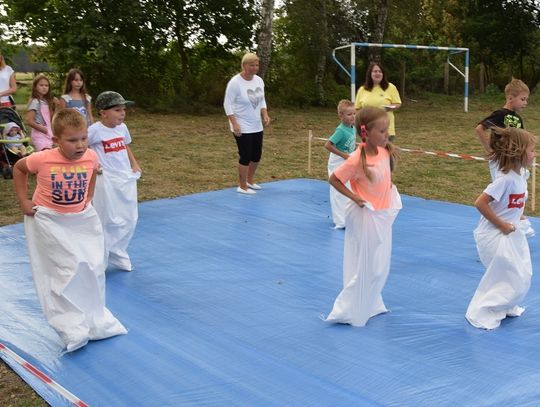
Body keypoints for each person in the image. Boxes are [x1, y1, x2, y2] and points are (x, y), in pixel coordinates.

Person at [12, 108, 127, 352]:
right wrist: (24, 200)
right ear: (56, 140)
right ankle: (71, 325)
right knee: (65, 270)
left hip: (79, 220)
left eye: (84, 138)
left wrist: (89, 195)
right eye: (72, 140)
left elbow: (93, 174)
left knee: (92, 266)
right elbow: (19, 169)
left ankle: (94, 320)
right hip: (50, 221)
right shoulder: (42, 159)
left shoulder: (91, 157)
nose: (80, 145)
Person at [325, 107, 402, 327]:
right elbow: (335, 179)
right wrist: (355, 197)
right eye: (382, 130)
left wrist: (389, 187)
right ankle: (346, 309)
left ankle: (370, 301)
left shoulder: (384, 150)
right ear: (366, 132)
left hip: (382, 213)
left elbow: (383, 176)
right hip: (365, 216)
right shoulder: (357, 159)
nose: (386, 134)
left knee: (379, 264)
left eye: (387, 129)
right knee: (369, 265)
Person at [465, 126, 536, 330]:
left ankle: (504, 304)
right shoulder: (504, 180)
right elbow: (480, 203)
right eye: (531, 150)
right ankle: (485, 308)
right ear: (518, 152)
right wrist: (502, 224)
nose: (534, 154)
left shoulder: (521, 176)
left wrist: (519, 218)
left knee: (521, 273)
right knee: (509, 273)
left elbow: (514, 204)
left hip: (511, 233)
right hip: (493, 235)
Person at [88, 91, 141, 272]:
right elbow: (83, 148)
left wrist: (134, 163)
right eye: (117, 110)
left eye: (123, 109)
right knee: (108, 218)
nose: (122, 113)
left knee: (128, 217)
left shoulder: (122, 128)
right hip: (106, 180)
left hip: (123, 178)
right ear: (103, 112)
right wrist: (94, 165)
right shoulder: (94, 131)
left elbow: (125, 146)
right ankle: (100, 258)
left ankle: (118, 253)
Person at [224, 52, 271, 195]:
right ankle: (242, 186)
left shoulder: (258, 81)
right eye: (252, 65)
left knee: (256, 155)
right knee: (245, 155)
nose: (255, 68)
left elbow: (261, 99)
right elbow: (227, 104)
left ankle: (250, 181)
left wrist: (265, 113)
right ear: (244, 65)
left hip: (256, 124)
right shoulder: (235, 83)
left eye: (257, 65)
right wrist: (235, 123)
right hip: (241, 125)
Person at [475, 78, 529, 181]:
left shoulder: (519, 118)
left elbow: (523, 138)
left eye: (526, 99)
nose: (525, 103)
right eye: (522, 99)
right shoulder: (500, 114)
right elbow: (479, 129)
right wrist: (490, 150)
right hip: (499, 160)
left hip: (513, 160)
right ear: (510, 98)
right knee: (501, 187)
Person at [324, 99, 357, 229]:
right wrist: (344, 155)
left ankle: (349, 216)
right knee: (338, 189)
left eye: (354, 113)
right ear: (341, 116)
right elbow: (328, 145)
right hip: (338, 161)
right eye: (349, 114)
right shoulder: (341, 130)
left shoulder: (353, 128)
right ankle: (340, 220)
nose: (353, 117)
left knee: (349, 187)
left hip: (348, 160)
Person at [355, 63, 401, 142]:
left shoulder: (390, 87)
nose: (378, 73)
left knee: (385, 153)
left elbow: (398, 104)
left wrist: (388, 108)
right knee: (369, 153)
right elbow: (357, 109)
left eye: (380, 71)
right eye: (375, 71)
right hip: (367, 129)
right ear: (370, 74)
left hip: (386, 129)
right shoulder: (362, 89)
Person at [26, 74, 56, 151]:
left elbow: (50, 119)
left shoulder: (46, 101)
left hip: (48, 133)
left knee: (48, 156)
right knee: (45, 155)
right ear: (35, 87)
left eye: (46, 85)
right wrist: (43, 129)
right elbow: (29, 121)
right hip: (39, 134)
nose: (44, 87)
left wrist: (54, 106)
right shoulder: (35, 102)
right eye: (41, 85)